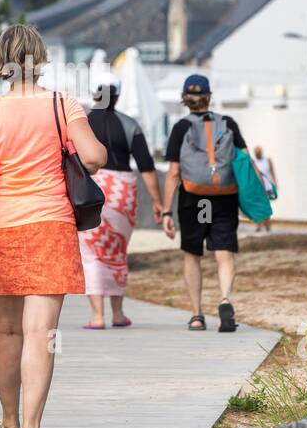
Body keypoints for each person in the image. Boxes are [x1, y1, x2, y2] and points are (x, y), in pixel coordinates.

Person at [0, 25, 106, 428]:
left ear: (0, 61)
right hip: (50, 225)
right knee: (41, 333)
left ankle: (9, 420)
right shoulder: (63, 104)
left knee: (6, 331)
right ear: (40, 58)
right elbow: (95, 158)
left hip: (1, 229)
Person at [159, 74, 252, 333]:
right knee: (224, 252)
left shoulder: (180, 128)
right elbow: (243, 161)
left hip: (195, 199)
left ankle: (197, 314)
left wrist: (166, 210)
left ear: (185, 100)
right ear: (209, 97)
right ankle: (224, 299)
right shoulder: (229, 123)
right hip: (224, 197)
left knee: (193, 253)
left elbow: (173, 173)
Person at [78, 78, 162, 329]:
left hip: (90, 188)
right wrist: (158, 202)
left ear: (94, 95)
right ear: (117, 96)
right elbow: (147, 167)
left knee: (91, 253)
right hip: (123, 191)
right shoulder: (129, 124)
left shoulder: (81, 124)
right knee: (117, 251)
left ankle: (97, 316)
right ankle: (118, 314)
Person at [251, 145, 278, 231]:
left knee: (266, 206)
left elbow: (272, 172)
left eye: (259, 153)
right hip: (257, 187)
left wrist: (275, 182)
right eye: (256, 153)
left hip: (267, 187)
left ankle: (267, 225)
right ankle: (258, 225)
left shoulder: (267, 160)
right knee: (257, 206)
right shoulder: (253, 161)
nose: (257, 155)